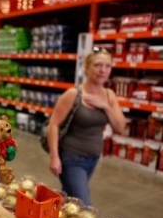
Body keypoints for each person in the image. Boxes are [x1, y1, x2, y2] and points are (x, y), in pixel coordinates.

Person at [47, 48, 126, 206]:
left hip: (93, 159)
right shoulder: (74, 94)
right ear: (87, 68)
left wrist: (106, 106)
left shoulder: (109, 95)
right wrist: (55, 157)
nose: (102, 70)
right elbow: (53, 125)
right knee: (84, 206)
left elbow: (120, 127)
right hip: (72, 157)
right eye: (97, 65)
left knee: (70, 199)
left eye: (107, 66)